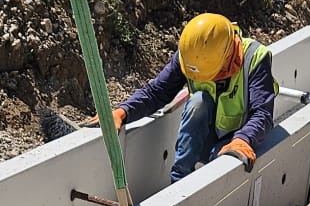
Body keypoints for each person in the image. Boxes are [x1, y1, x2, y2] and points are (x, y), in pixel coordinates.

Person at [109, 13, 276, 180]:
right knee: (198, 102)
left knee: (219, 162)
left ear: (225, 59)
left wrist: (244, 139)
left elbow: (262, 113)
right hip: (203, 137)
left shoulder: (254, 57)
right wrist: (124, 111)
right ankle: (179, 179)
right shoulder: (192, 55)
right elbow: (157, 91)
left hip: (238, 136)